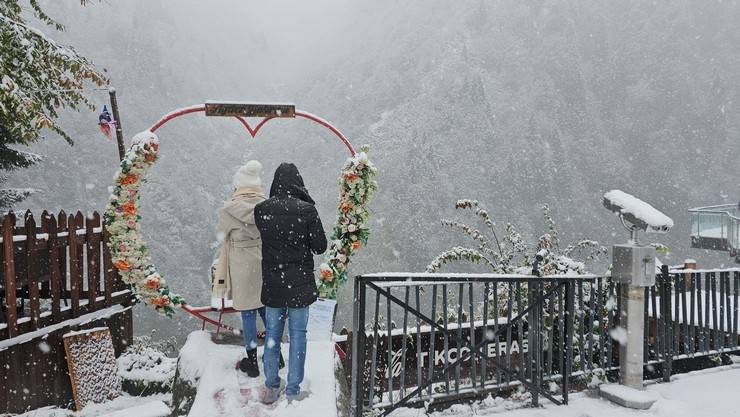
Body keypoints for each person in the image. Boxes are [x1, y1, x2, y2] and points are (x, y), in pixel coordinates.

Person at [255, 163, 327, 404]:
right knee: (298, 335)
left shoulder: (261, 210)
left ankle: (272, 385)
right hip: (300, 284)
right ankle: (294, 388)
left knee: (273, 335)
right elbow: (320, 247)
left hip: (273, 283)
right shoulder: (307, 210)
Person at [214, 160, 267, 377]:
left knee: (248, 314)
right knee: (267, 311)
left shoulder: (229, 210)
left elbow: (221, 233)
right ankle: (276, 355)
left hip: (241, 267)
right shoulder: (267, 206)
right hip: (264, 264)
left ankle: (252, 362)